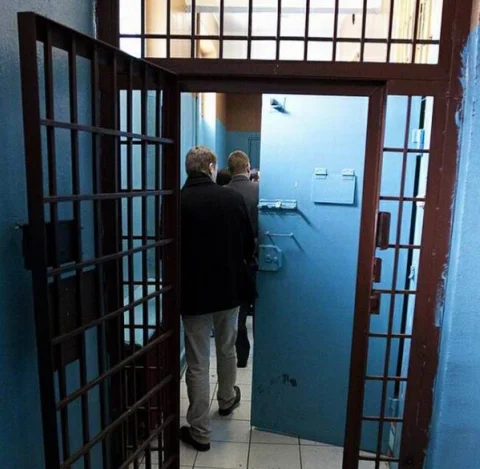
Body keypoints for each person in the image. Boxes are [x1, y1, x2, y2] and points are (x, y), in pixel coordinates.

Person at [180, 146, 255, 452]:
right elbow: (248, 245)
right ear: (211, 167)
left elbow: (166, 249)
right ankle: (226, 400)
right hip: (228, 289)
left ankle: (200, 431)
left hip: (193, 292)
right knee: (226, 349)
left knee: (197, 362)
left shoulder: (176, 201)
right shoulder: (231, 198)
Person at [227, 150, 260, 368]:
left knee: (237, 313)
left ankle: (241, 356)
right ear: (248, 167)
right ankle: (263, 355)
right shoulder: (260, 190)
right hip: (258, 258)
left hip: (232, 261)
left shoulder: (223, 193)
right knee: (262, 312)